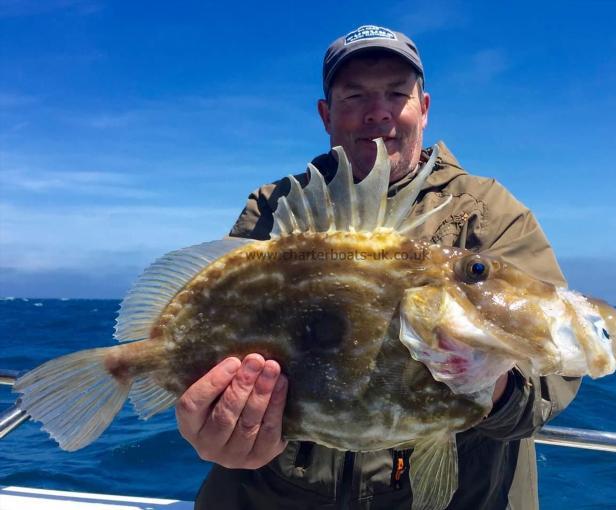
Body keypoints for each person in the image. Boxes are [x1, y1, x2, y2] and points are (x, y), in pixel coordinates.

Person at [176, 25, 581, 509]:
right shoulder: (274, 207)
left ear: (424, 109)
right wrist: (217, 428)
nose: (378, 112)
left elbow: (552, 372)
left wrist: (491, 382)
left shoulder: (489, 212)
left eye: (396, 93)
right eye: (354, 96)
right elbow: (214, 332)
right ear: (326, 114)